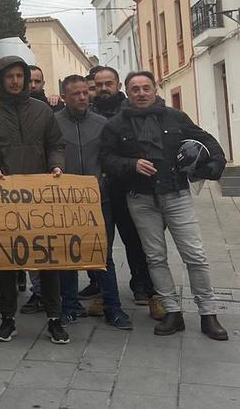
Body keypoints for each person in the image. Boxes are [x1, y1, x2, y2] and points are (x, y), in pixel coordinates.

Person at [100, 71, 229, 340]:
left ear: (155, 89)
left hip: (176, 194)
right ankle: (172, 312)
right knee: (155, 257)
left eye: (146, 87)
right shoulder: (116, 125)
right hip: (140, 198)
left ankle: (208, 313)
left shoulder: (175, 117)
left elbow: (207, 140)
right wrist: (131, 164)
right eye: (135, 89)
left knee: (195, 255)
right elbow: (106, 159)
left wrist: (215, 164)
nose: (141, 93)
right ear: (127, 91)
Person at [0, 55, 70, 345]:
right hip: (4, 197)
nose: (14, 81)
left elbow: (56, 144)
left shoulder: (42, 112)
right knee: (7, 261)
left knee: (48, 260)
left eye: (19, 76)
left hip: (40, 196)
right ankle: (8, 319)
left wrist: (57, 165)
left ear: (26, 79)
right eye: (9, 76)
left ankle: (54, 318)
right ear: (0, 79)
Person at [54, 75, 133, 331]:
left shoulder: (103, 124)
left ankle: (113, 308)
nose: (82, 97)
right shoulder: (53, 124)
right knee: (66, 255)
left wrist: (105, 180)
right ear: (64, 97)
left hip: (100, 200)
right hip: (64, 201)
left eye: (85, 93)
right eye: (75, 94)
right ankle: (69, 306)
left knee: (103, 255)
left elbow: (112, 156)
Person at [87, 65, 157, 313]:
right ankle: (100, 288)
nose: (104, 88)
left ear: (118, 86)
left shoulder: (133, 111)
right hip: (98, 189)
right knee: (99, 243)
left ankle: (142, 286)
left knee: (135, 241)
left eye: (109, 83)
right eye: (99, 84)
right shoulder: (87, 110)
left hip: (129, 187)